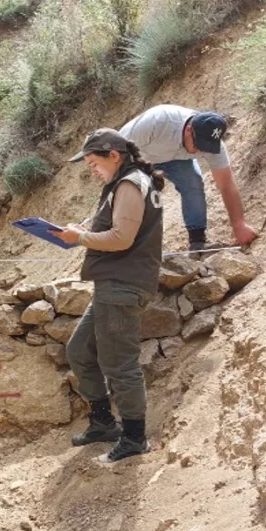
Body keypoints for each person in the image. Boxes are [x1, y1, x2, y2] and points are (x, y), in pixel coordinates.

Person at [51, 128, 164, 463]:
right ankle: (103, 423)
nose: (91, 170)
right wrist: (83, 232)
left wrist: (80, 239)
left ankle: (133, 438)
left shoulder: (129, 183)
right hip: (115, 284)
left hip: (122, 285)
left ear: (114, 155)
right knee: (80, 350)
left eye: (93, 162)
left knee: (119, 364)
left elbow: (121, 238)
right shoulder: (127, 182)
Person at [118, 104, 258, 250]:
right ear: (189, 129)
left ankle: (197, 242)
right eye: (199, 145)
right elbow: (118, 152)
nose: (201, 150)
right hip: (137, 156)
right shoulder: (157, 122)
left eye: (207, 147)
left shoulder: (213, 145)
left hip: (175, 159)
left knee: (193, 182)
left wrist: (239, 224)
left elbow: (226, 184)